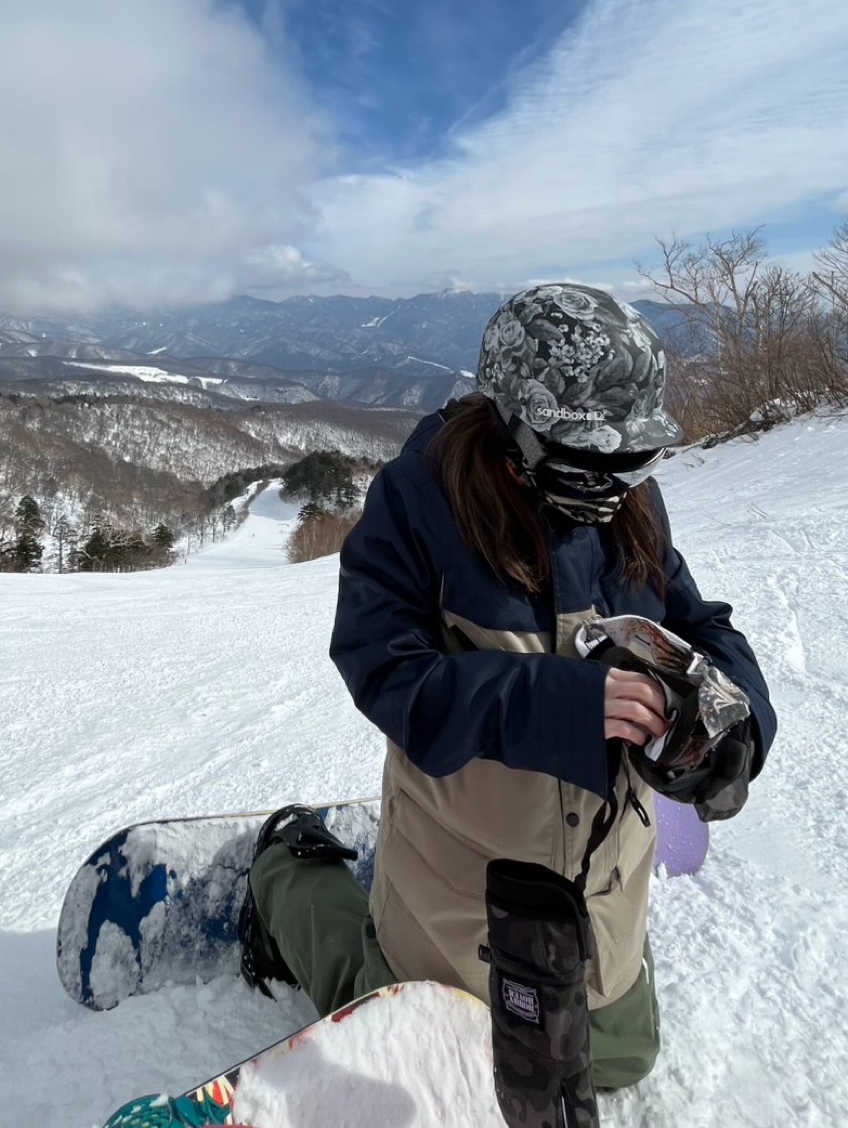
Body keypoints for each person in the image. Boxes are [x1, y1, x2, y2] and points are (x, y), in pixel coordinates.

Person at [237, 283, 776, 1092]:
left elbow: (706, 627)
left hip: (598, 879)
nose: (620, 481)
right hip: (463, 871)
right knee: (424, 1051)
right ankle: (286, 873)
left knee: (619, 1060)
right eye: (596, 457)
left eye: (637, 458)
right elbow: (384, 671)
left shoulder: (634, 505)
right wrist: (562, 703)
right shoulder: (420, 498)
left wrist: (735, 726)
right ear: (516, 423)